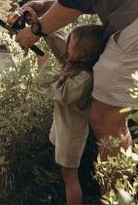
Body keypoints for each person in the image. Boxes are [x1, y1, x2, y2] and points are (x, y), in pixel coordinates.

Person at [15, 0, 138, 168]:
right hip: (132, 15)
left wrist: (34, 31)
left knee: (106, 117)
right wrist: (45, 6)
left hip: (136, 20)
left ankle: (119, 198)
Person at [34, 23, 105, 205]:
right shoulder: (76, 66)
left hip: (72, 135)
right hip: (63, 129)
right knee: (67, 175)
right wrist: (40, 27)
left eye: (71, 44)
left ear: (83, 50)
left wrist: (44, 68)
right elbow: (59, 44)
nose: (67, 47)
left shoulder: (85, 77)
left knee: (70, 178)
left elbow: (62, 94)